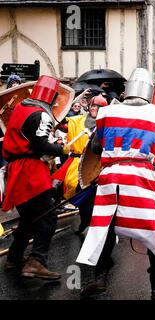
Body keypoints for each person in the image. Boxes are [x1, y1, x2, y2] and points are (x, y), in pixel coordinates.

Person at [76, 68, 155, 299]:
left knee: (104, 230)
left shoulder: (107, 113)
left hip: (111, 177)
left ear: (128, 90)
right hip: (141, 177)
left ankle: (99, 278)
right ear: (149, 91)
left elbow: (97, 148)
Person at [2, 76, 70, 279]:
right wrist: (61, 148)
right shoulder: (41, 115)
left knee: (30, 218)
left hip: (17, 167)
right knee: (47, 217)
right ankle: (36, 262)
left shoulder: (21, 107)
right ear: (51, 97)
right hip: (29, 171)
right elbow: (42, 146)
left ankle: (14, 257)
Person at [52, 95, 108, 234]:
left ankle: (94, 224)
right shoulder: (77, 121)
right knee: (77, 193)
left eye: (99, 107)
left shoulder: (107, 124)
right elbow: (59, 122)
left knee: (97, 197)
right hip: (78, 164)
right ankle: (85, 221)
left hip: (99, 165)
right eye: (93, 106)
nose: (95, 109)